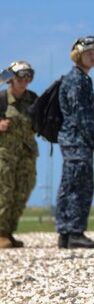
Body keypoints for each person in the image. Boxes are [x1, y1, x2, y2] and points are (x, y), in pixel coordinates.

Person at [56, 36, 94, 249]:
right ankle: (74, 232)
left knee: (72, 184)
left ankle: (67, 234)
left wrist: (92, 105)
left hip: (73, 141)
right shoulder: (77, 79)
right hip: (77, 141)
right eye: (89, 53)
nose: (93, 57)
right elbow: (81, 116)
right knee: (79, 186)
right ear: (78, 55)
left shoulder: (79, 79)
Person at [0, 61, 38, 249]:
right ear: (11, 79)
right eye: (21, 77)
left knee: (22, 191)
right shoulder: (2, 99)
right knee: (4, 192)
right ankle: (0, 232)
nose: (25, 81)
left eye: (28, 77)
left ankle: (9, 231)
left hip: (27, 154)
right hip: (5, 154)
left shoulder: (32, 99)